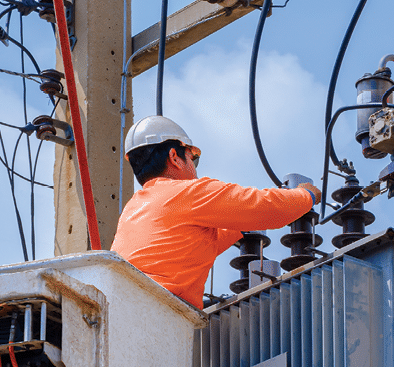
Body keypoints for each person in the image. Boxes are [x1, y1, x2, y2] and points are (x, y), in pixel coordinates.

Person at [112, 116, 321, 309]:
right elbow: (262, 207)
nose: (195, 168)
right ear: (174, 157)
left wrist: (239, 228)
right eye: (192, 158)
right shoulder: (187, 193)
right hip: (159, 314)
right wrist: (305, 195)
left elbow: (198, 242)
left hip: (126, 313)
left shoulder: (133, 209)